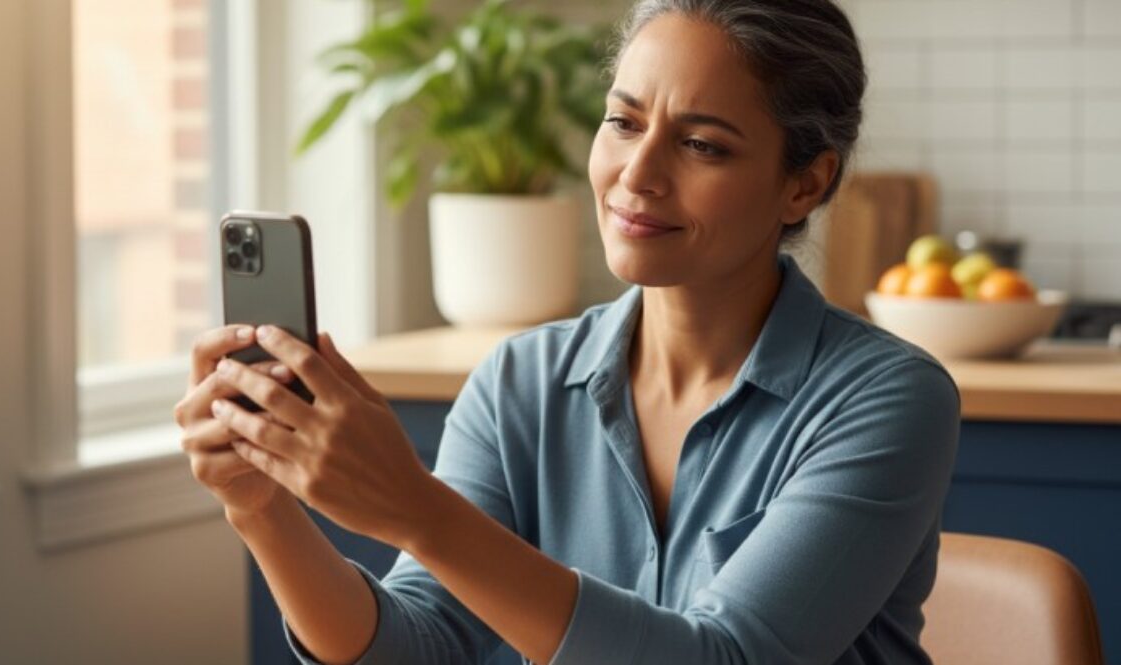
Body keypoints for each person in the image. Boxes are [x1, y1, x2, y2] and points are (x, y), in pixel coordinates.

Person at [176, 0, 960, 663]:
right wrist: (262, 510)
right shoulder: (521, 380)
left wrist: (416, 508)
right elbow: (424, 647)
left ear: (806, 182)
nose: (637, 173)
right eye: (623, 121)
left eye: (701, 144)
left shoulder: (889, 399)